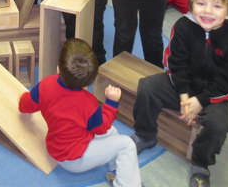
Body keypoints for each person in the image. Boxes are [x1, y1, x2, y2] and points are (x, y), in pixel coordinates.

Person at [130, 0, 228, 187]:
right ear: (192, 5)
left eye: (217, 6)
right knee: (148, 87)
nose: (207, 11)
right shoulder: (183, 26)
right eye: (201, 3)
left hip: (212, 95)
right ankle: (145, 135)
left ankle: (201, 163)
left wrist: (200, 101)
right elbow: (175, 63)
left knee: (217, 125)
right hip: (181, 87)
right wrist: (185, 97)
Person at [18, 38, 142, 187]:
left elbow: (26, 105)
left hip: (58, 148)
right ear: (89, 80)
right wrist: (111, 103)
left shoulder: (46, 84)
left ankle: (116, 170)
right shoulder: (88, 102)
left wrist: (22, 100)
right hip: (75, 159)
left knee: (113, 132)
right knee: (127, 144)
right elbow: (102, 127)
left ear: (59, 68)